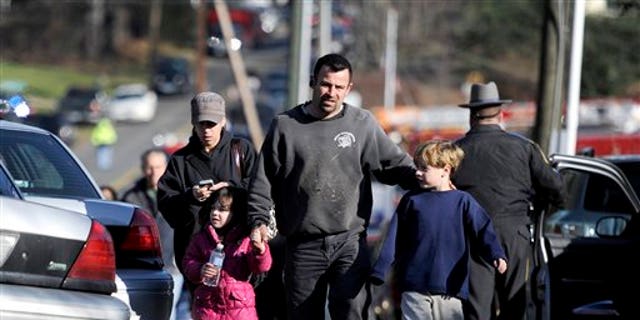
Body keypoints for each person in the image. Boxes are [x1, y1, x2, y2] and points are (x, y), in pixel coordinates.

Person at [247, 53, 418, 320]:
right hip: (303, 245)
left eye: (339, 87)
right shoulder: (285, 127)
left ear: (349, 89)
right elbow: (263, 181)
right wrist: (257, 221)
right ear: (313, 82)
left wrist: (427, 178)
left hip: (349, 241)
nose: (332, 92)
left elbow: (395, 165)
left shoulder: (362, 124)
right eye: (326, 84)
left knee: (352, 313)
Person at [452, 82, 564, 320]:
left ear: (471, 116)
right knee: (515, 305)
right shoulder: (524, 148)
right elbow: (557, 189)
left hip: (472, 236)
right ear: (501, 114)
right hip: (514, 233)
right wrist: (540, 205)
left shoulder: (455, 151)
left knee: (477, 310)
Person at [371, 140, 508, 320]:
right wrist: (380, 270)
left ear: (445, 170)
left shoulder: (462, 201)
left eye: (424, 169)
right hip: (414, 286)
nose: (417, 173)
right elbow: (394, 238)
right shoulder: (411, 201)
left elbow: (483, 228)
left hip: (450, 289)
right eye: (417, 167)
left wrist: (496, 254)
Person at [157, 91, 257, 284]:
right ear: (193, 123)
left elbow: (260, 189)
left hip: (239, 252)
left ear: (223, 121)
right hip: (197, 254)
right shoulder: (180, 160)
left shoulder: (241, 151)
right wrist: (190, 196)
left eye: (211, 124)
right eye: (201, 124)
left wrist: (230, 188)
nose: (206, 130)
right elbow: (166, 203)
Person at [182, 187, 272, 320]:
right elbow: (188, 263)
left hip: (240, 309)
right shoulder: (201, 238)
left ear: (235, 212)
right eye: (213, 209)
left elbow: (261, 267)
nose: (215, 213)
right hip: (207, 308)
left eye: (222, 210)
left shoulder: (246, 239)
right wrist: (200, 270)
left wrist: (260, 250)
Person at [120, 148, 184, 320]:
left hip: (173, 267)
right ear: (143, 168)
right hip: (141, 269)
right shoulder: (131, 197)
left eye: (158, 167)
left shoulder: (180, 194)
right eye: (149, 167)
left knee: (169, 314)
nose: (154, 172)